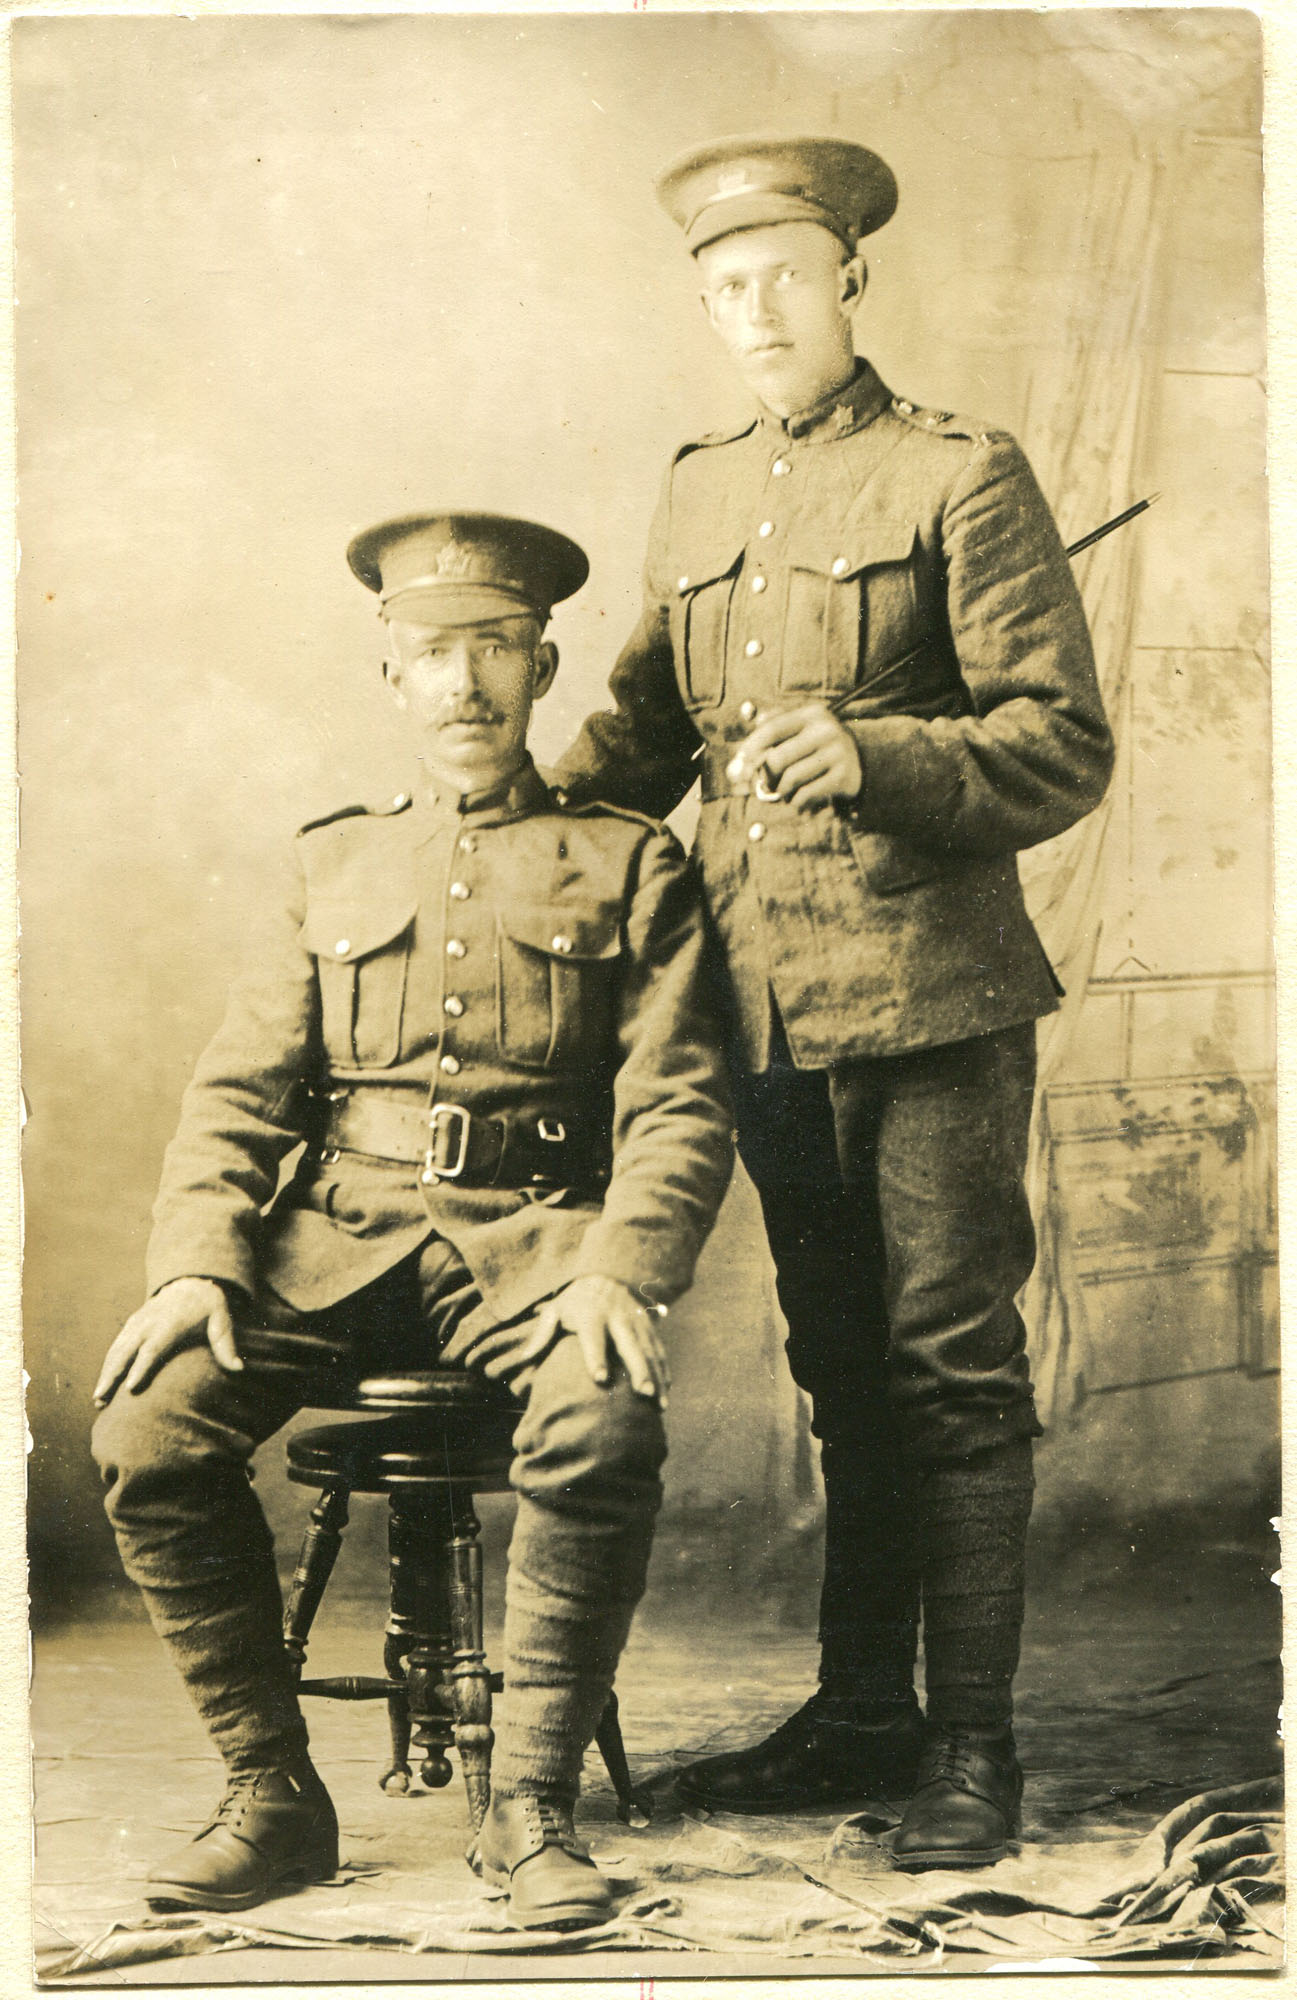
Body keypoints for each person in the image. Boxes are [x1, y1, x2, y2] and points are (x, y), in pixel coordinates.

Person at [553, 135, 1115, 1870]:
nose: (755, 312)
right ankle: (863, 1709)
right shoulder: (698, 490)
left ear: (848, 279)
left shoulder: (962, 473)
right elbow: (639, 736)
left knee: (947, 1370)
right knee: (842, 1379)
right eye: (725, 289)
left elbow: (1060, 744)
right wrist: (515, 841)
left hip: (933, 997)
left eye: (784, 275)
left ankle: (973, 1753)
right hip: (763, 1009)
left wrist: (875, 754)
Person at [91, 512, 734, 1928]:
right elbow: (237, 1094)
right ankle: (271, 1797)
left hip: (534, 1245)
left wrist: (623, 1268)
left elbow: (680, 1104)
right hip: (333, 1238)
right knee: (146, 1427)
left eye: (493, 649)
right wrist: (197, 1261)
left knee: (602, 1421)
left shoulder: (630, 862)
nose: (464, 685)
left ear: (543, 665)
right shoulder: (329, 862)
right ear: (391, 677)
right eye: (433, 654)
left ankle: (530, 1813)